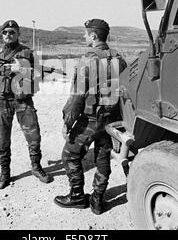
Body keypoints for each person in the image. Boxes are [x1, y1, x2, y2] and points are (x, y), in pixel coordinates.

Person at [54, 19, 127, 215]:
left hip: (91, 120)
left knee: (69, 154)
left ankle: (77, 196)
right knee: (102, 156)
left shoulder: (88, 59)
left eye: (85, 34)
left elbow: (77, 97)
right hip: (111, 119)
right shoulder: (119, 57)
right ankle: (97, 200)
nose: (84, 37)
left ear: (93, 36)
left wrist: (67, 123)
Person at [0, 20, 52, 189]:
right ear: (2, 35)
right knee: (2, 139)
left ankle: (36, 167)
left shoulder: (27, 52)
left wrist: (21, 69)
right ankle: (5, 172)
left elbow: (39, 74)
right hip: (1, 101)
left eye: (12, 32)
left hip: (23, 101)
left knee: (34, 137)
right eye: (5, 32)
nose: (8, 35)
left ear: (18, 34)